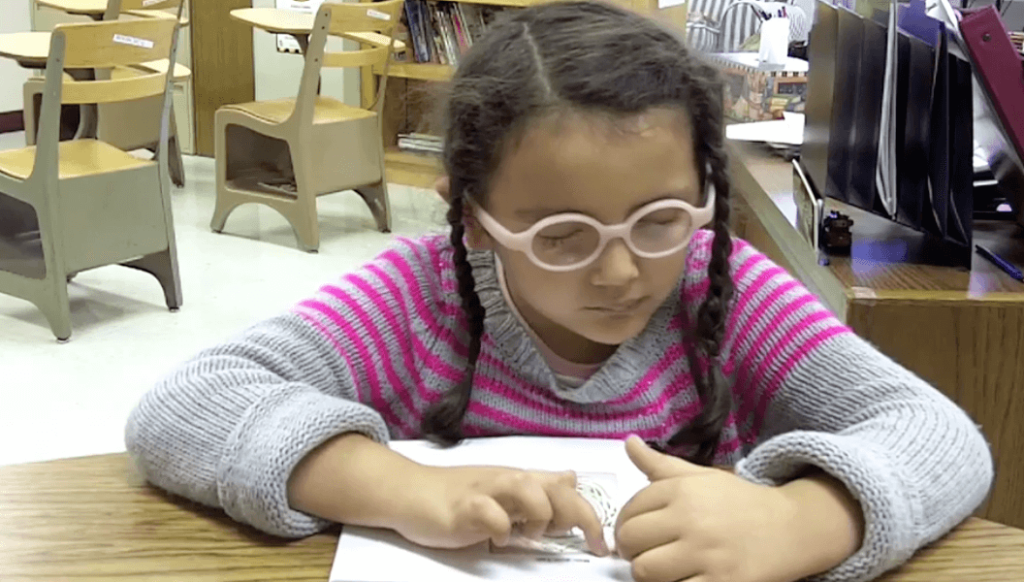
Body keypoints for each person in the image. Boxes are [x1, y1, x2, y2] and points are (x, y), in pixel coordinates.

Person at [125, 2, 993, 582]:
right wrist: (400, 488)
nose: (620, 273)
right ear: (470, 219)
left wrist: (805, 521)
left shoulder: (726, 287)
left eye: (659, 219)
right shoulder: (415, 297)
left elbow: (937, 437)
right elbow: (187, 408)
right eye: (561, 237)